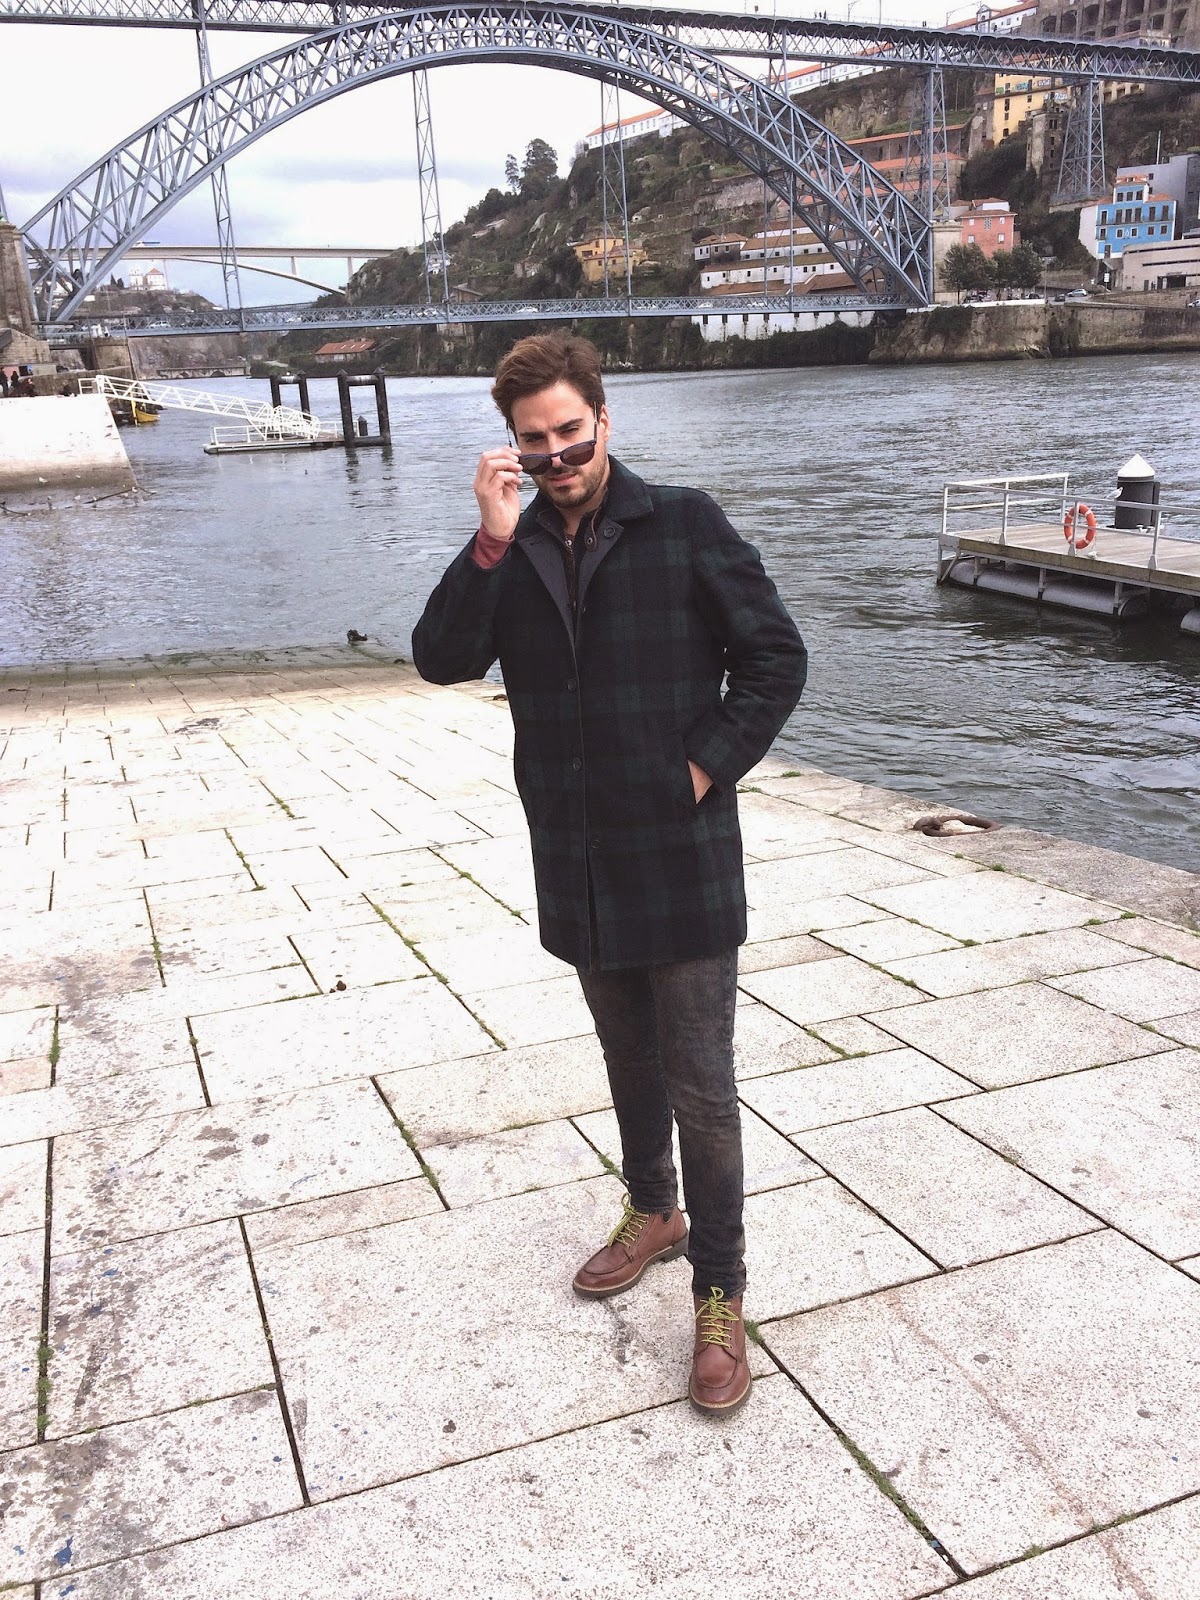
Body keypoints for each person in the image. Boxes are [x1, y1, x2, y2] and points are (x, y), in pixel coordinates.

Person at [413, 334, 806, 1415]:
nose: (556, 460)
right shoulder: (512, 546)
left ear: (603, 421)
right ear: (512, 448)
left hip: (679, 852)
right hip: (578, 853)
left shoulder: (685, 523)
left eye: (570, 436)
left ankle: (719, 1291)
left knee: (702, 1086)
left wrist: (700, 768)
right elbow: (441, 658)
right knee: (626, 1057)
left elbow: (775, 656)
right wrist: (489, 541)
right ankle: (652, 1209)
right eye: (532, 445)